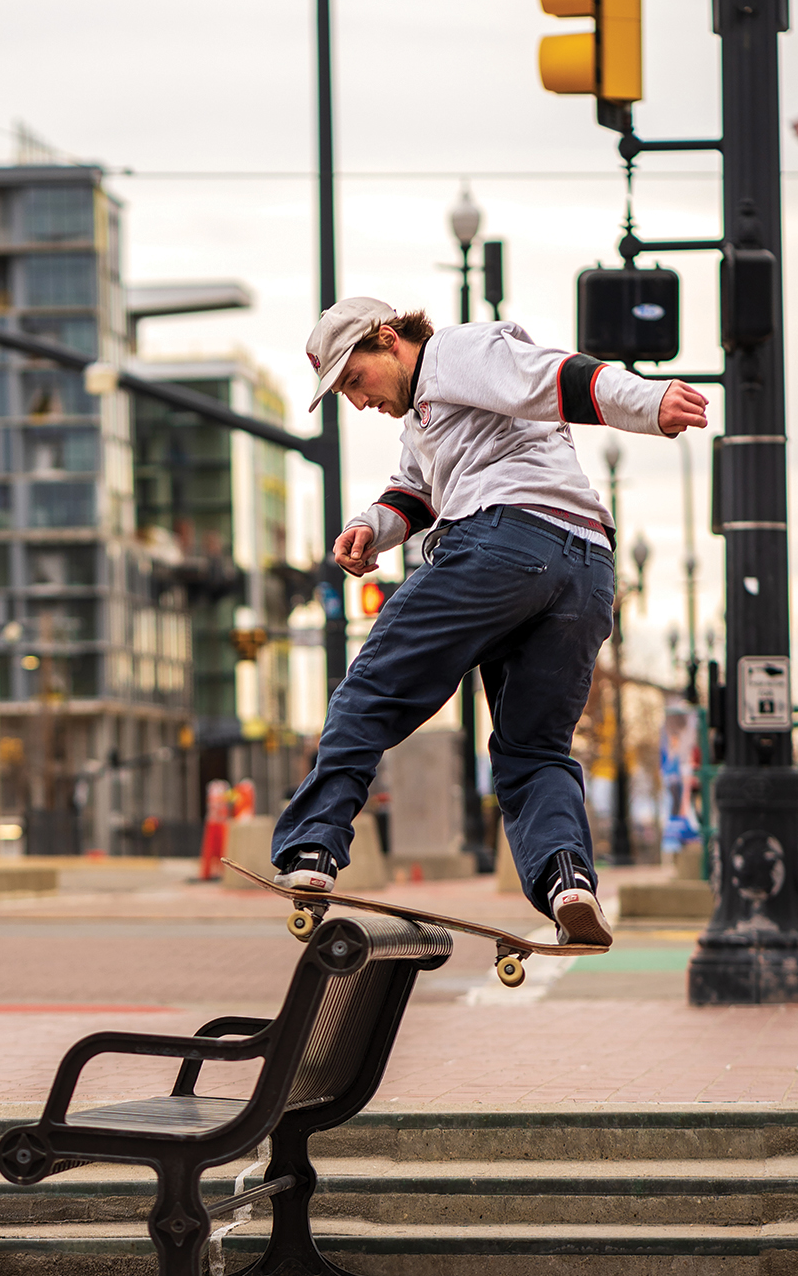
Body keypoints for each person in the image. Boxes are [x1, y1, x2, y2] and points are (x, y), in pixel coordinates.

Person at [271, 296, 709, 947]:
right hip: (586, 571)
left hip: (505, 546)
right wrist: (371, 526)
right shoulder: (425, 415)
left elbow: (560, 377)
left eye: (355, 381)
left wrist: (645, 403)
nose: (358, 402)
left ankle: (312, 849)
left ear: (388, 340)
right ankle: (568, 881)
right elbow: (414, 493)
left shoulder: (458, 352)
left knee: (371, 688)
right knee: (533, 751)